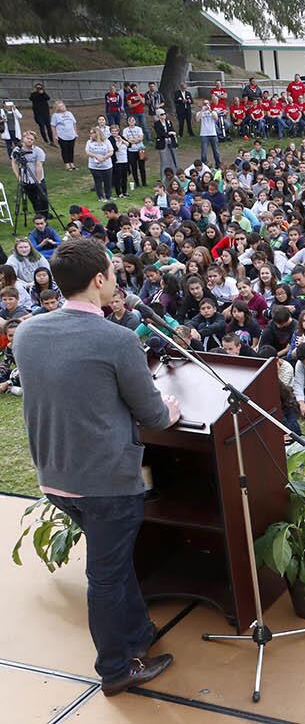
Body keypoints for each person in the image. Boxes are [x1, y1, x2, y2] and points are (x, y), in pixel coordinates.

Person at [13, 238, 181, 695]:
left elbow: (71, 389)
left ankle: (137, 634)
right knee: (105, 574)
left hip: (54, 476)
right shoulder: (118, 338)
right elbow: (155, 416)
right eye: (112, 271)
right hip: (106, 483)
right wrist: (169, 405)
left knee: (114, 560)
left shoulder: (27, 332)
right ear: (100, 280)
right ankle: (115, 669)